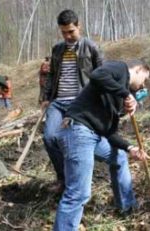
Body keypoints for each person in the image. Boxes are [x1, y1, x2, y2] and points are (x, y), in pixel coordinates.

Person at [54, 60, 150, 231]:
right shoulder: (120, 69)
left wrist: (130, 148)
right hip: (78, 130)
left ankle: (127, 207)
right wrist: (125, 94)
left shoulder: (119, 97)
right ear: (138, 70)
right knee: (79, 193)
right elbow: (97, 75)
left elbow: (109, 133)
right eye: (144, 79)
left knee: (119, 157)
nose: (143, 85)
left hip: (93, 136)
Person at [40, 9, 104, 192]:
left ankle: (80, 180)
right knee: (50, 137)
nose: (68, 36)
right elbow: (52, 75)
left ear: (79, 26)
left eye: (71, 31)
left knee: (73, 141)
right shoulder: (57, 49)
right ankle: (63, 179)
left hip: (79, 103)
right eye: (64, 32)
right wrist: (46, 97)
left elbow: (103, 74)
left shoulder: (91, 47)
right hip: (58, 102)